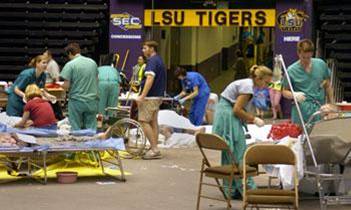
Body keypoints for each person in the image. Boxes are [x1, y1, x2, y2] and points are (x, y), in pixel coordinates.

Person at [212, 65, 273, 199]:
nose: (266, 86)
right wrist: (253, 119)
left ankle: (231, 189)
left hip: (224, 112)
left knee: (229, 152)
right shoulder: (248, 88)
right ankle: (248, 188)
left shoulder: (247, 83)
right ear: (258, 78)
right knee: (238, 152)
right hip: (228, 115)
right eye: (266, 83)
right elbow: (237, 110)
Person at [282, 39, 334, 124]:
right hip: (301, 111)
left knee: (319, 135)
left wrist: (332, 104)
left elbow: (328, 85)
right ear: (298, 53)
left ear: (312, 54)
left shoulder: (320, 64)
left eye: (308, 57)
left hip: (319, 109)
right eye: (303, 57)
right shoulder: (291, 70)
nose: (306, 60)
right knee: (300, 136)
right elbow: (284, 91)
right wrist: (294, 95)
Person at [136, 40, 166, 160]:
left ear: (152, 49)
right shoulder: (159, 60)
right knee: (153, 122)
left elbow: (150, 78)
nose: (143, 51)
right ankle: (154, 147)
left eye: (145, 48)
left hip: (150, 97)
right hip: (157, 96)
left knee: (143, 121)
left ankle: (154, 149)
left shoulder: (152, 61)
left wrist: (142, 96)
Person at [60, 43, 99, 131]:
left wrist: (59, 87)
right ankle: (92, 144)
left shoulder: (70, 65)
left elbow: (66, 85)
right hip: (92, 100)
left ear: (70, 53)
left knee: (76, 128)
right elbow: (96, 80)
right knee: (91, 129)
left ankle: (78, 144)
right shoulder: (92, 62)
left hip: (76, 101)